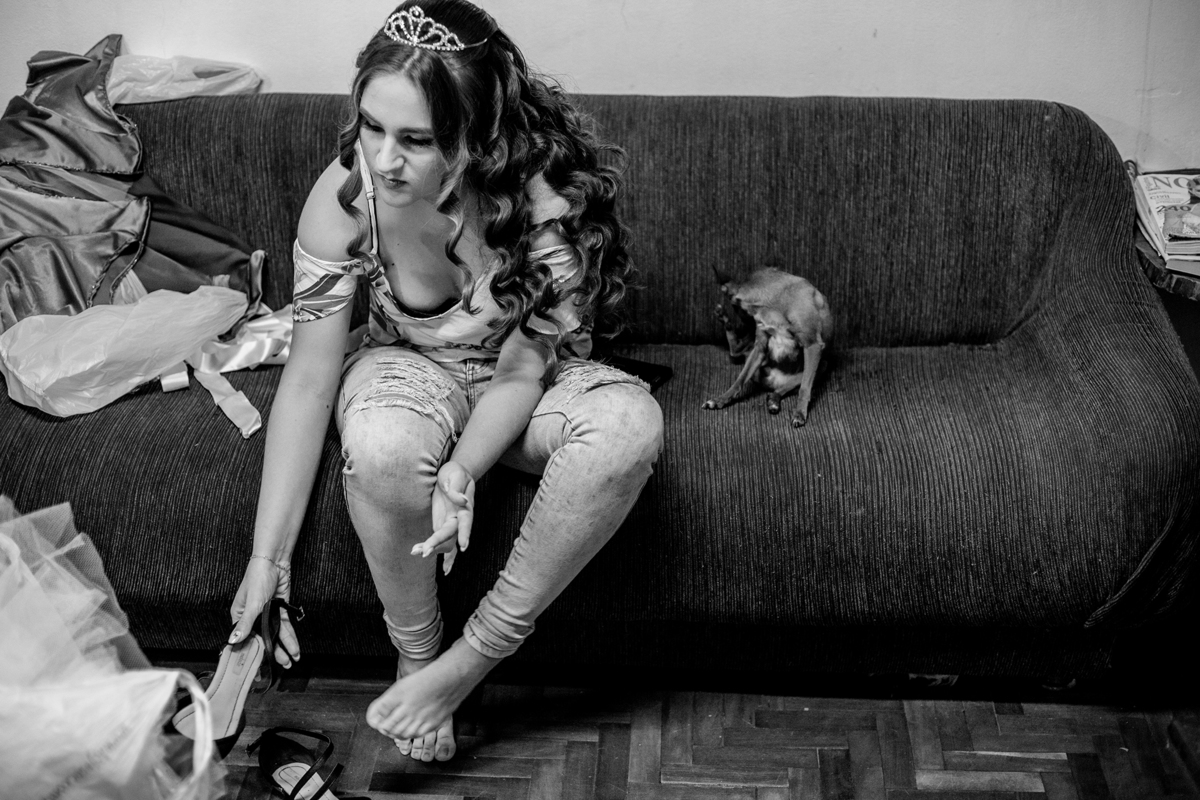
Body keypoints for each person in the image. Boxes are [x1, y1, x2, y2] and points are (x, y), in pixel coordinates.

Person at [225, 0, 663, 764]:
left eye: (417, 139)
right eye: (371, 126)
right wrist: (268, 563)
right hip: (406, 365)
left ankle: (468, 663)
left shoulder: (546, 210)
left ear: (475, 135)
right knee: (383, 442)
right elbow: (309, 380)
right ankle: (417, 654)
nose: (383, 159)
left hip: (523, 385)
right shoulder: (345, 198)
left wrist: (463, 469)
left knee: (629, 427)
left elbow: (523, 371)